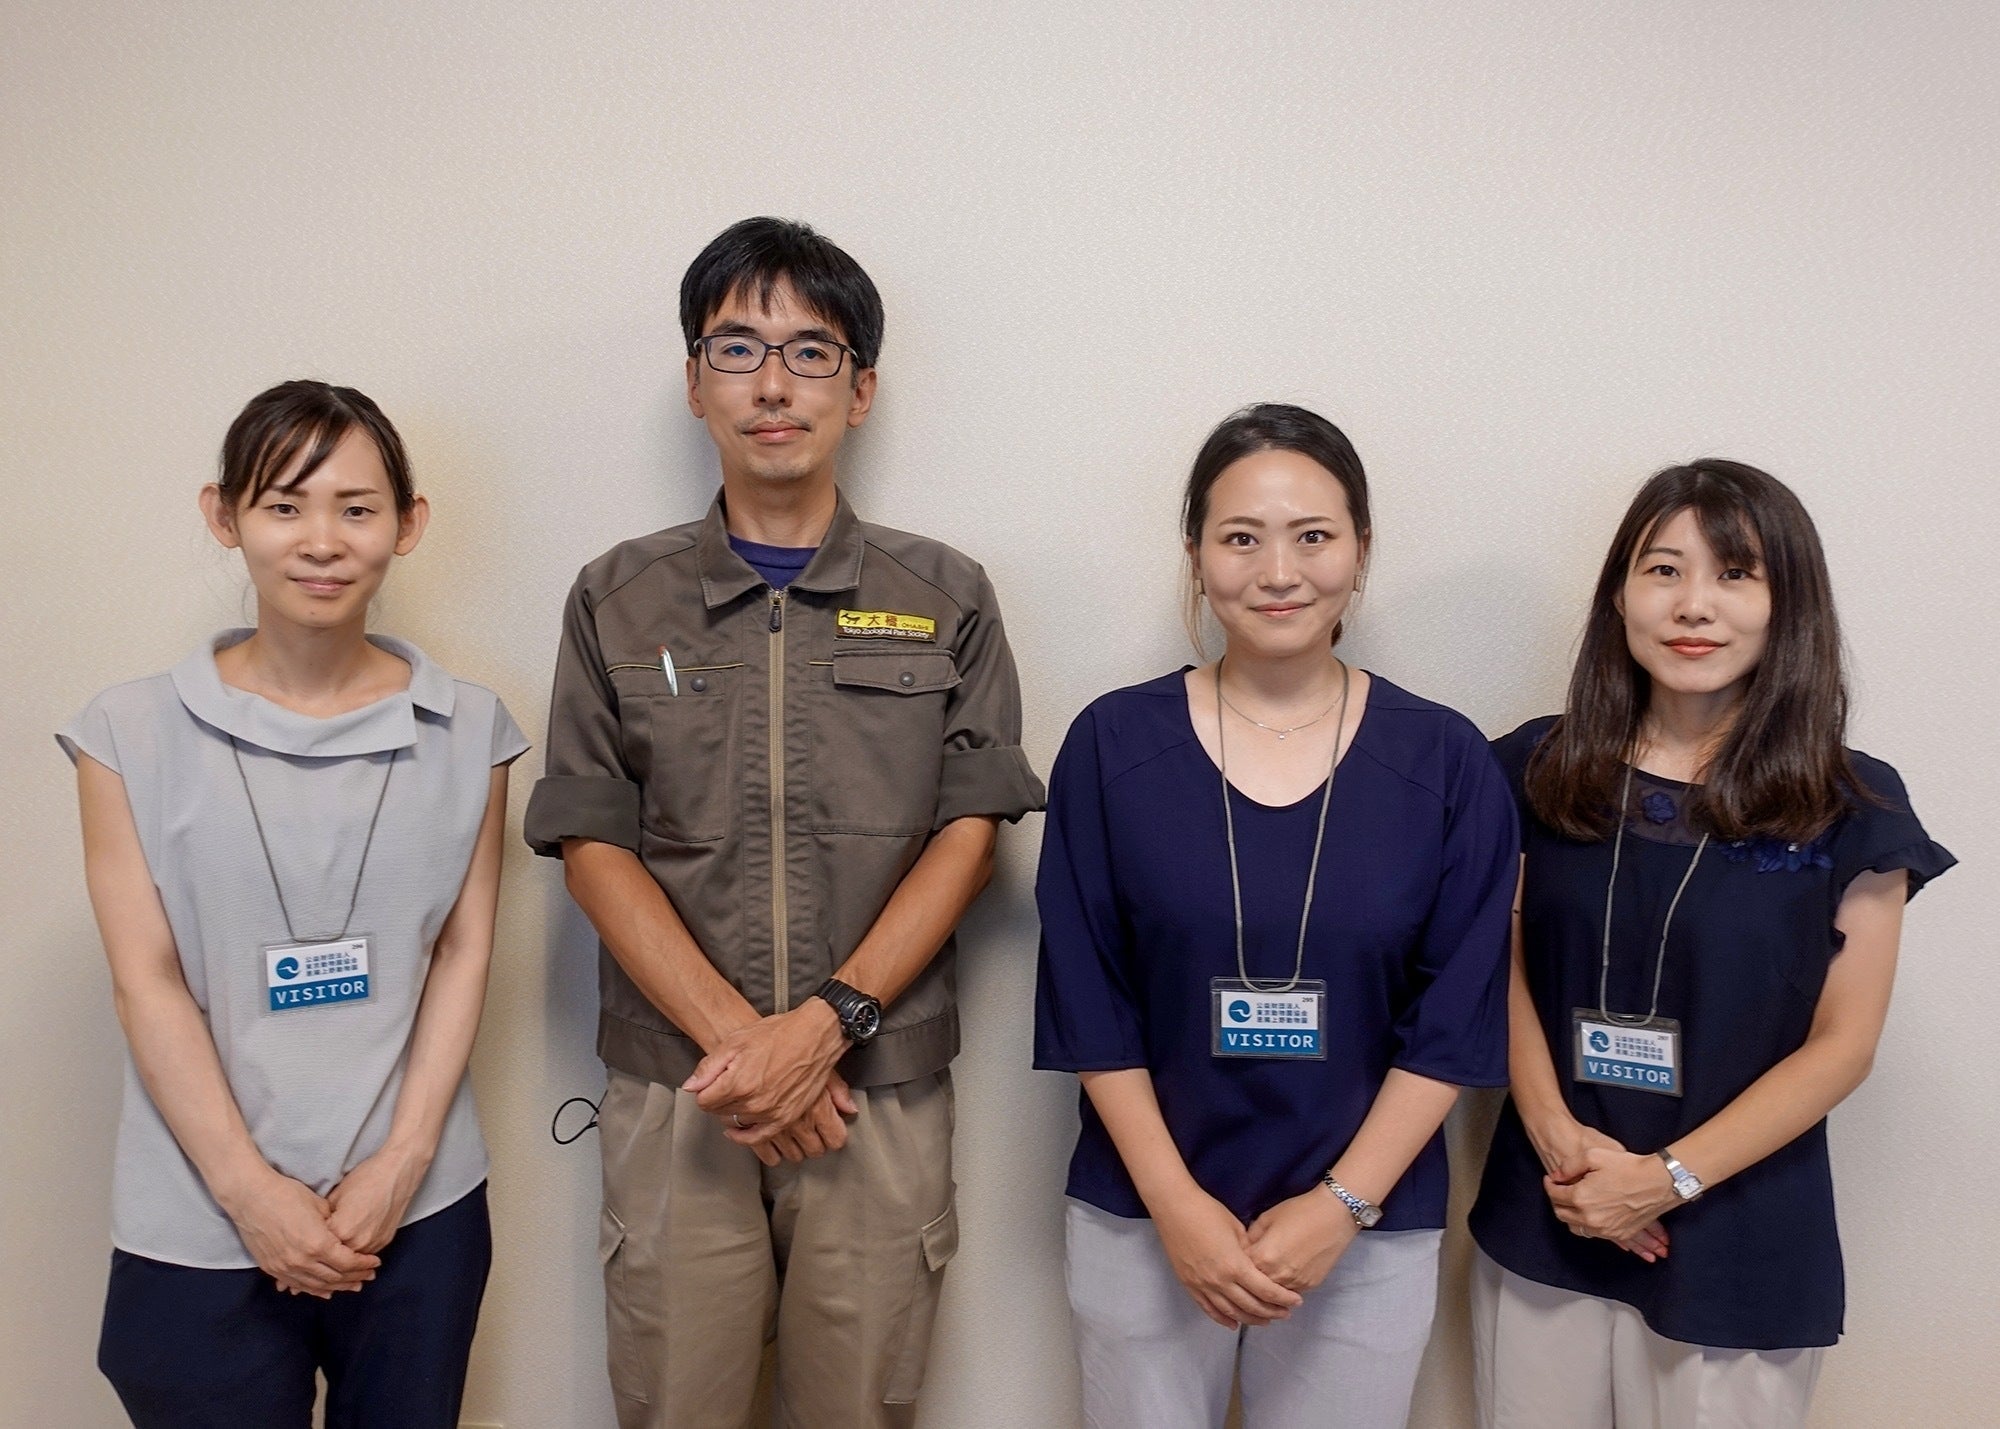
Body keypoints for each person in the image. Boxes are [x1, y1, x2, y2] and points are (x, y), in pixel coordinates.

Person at [524, 216, 1044, 1429]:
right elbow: (591, 844)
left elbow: (969, 836)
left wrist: (824, 1028)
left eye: (811, 352)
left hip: (875, 1087)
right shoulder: (615, 596)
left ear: (859, 391)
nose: (772, 383)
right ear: (694, 379)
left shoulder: (944, 594)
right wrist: (746, 1051)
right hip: (680, 1087)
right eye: (737, 348)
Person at [1034, 403, 1517, 1429]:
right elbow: (1089, 997)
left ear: (1361, 550)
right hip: (1143, 1215)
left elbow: (1454, 1019)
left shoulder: (1445, 761)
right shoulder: (1111, 745)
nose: (1278, 571)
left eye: (1313, 536)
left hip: (1367, 1225)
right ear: (1195, 555)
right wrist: (1176, 1206)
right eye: (1241, 538)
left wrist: (1339, 1206)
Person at [63, 380, 526, 1427]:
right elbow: (147, 980)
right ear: (223, 515)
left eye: (356, 508)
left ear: (408, 523)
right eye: (284, 505)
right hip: (198, 1210)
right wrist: (249, 1191)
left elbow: (463, 950)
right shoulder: (126, 732)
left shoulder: (472, 729)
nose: (321, 540)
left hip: (417, 1206)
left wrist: (402, 1161)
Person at [1467, 460, 1956, 1428]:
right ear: (1619, 594)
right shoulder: (1532, 767)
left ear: (1787, 603)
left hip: (1737, 1231)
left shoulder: (1851, 803)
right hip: (1550, 1206)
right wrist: (1560, 1142)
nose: (1693, 604)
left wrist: (1662, 1179)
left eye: (1735, 573)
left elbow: (1842, 1044)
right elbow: (1497, 963)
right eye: (1663, 570)